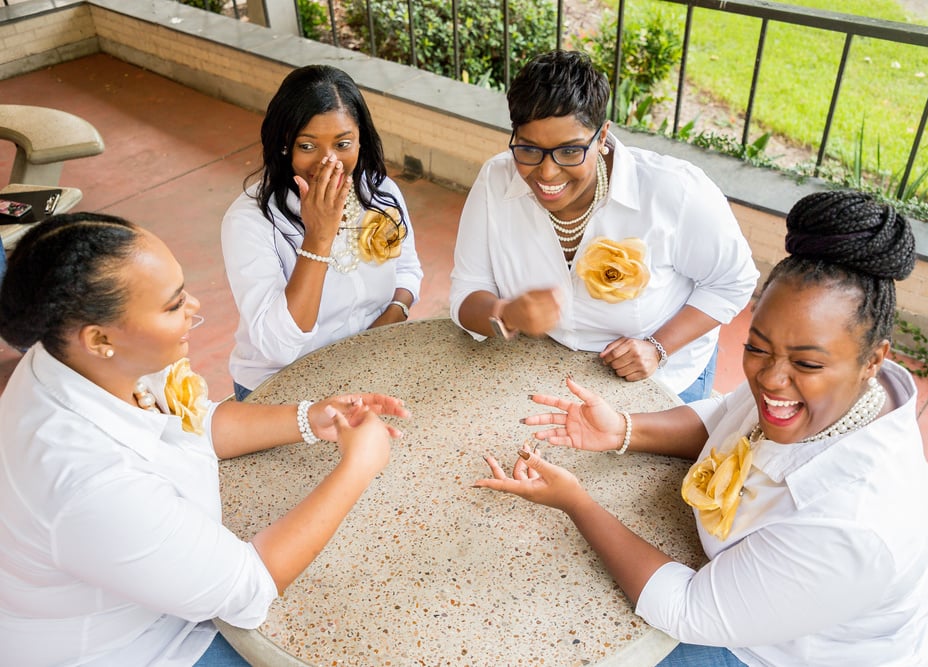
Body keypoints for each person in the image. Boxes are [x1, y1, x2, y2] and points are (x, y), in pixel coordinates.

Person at [475, 191, 928, 666]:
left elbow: (687, 609)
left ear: (874, 361)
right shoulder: (825, 396)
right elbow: (728, 416)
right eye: (757, 348)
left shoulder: (852, 526)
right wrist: (621, 431)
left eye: (806, 362)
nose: (771, 380)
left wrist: (576, 502)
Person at [0, 213, 409, 666]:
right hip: (138, 648)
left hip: (159, 600)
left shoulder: (81, 355)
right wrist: (358, 468)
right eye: (174, 305)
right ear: (99, 338)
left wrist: (311, 419)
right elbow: (248, 588)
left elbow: (192, 424)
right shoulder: (88, 481)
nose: (194, 305)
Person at [449, 50, 758, 402]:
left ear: (602, 135)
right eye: (529, 150)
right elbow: (467, 290)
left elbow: (733, 281)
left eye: (569, 152)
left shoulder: (674, 190)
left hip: (661, 377)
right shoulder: (495, 179)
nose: (547, 173)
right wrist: (504, 313)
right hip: (549, 372)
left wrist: (658, 348)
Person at [222, 65, 423, 400]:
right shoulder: (249, 222)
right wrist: (318, 237)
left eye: (343, 143)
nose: (329, 162)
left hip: (366, 368)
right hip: (282, 389)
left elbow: (408, 270)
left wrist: (391, 317)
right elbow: (278, 346)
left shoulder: (380, 192)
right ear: (285, 144)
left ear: (361, 140)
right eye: (307, 146)